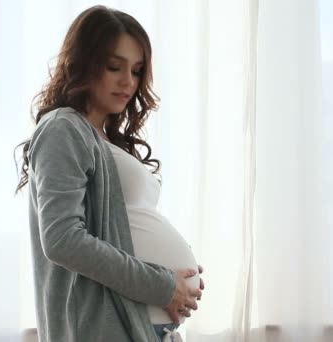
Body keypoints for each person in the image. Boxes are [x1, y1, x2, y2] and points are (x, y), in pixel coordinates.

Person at [15, 5, 204, 342]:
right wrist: (161, 283)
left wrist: (179, 279)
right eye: (114, 66)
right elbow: (63, 240)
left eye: (136, 70)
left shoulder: (104, 139)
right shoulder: (63, 128)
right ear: (84, 63)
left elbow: (123, 226)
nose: (127, 81)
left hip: (144, 327)